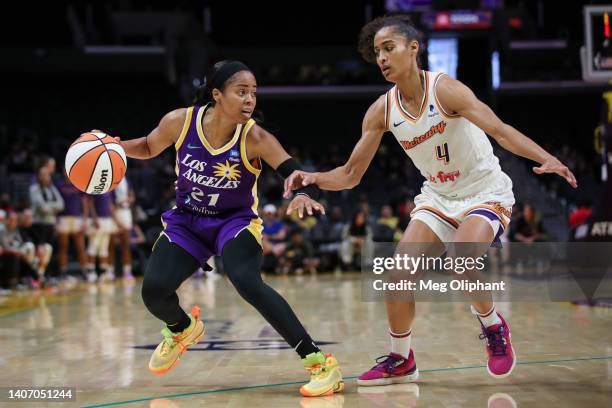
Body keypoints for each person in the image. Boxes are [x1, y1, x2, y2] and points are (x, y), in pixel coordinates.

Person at [284, 15, 577, 385]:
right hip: (438, 197)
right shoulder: (381, 111)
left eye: (388, 48)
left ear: (413, 48)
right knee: (396, 275)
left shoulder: (446, 90)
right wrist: (312, 177)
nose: (382, 59)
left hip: (483, 190)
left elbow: (500, 132)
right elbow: (350, 174)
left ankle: (492, 326)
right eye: (377, 53)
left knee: (461, 257)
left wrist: (545, 157)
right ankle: (401, 358)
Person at [103, 60, 343, 397]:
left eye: (253, 93)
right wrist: (112, 147)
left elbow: (297, 174)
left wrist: (303, 193)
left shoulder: (255, 138)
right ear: (217, 95)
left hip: (235, 221)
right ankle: (182, 328)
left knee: (246, 281)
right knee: (154, 291)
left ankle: (320, 363)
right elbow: (147, 146)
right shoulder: (179, 122)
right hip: (188, 221)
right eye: (241, 92)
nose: (250, 100)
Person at [56, 169, 89, 279]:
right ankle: (63, 271)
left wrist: (85, 219)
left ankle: (85, 270)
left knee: (80, 246)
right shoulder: (59, 185)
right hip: (63, 218)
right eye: (64, 171)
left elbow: (84, 202)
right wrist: (56, 220)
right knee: (63, 246)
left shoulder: (78, 184)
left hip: (77, 218)